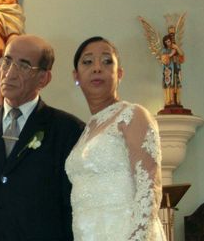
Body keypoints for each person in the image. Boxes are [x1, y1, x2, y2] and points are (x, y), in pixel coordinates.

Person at [0, 34, 85, 241]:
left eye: (23, 65)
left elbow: (70, 208)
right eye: (7, 61)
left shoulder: (68, 130)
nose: (9, 73)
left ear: (43, 78)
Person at [66, 36, 166, 241]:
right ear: (76, 76)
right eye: (87, 62)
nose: (97, 68)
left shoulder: (133, 116)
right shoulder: (85, 133)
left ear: (119, 73)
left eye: (107, 61)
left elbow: (149, 188)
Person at [161, 34, 184, 106]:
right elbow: (164, 60)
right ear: (165, 43)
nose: (169, 43)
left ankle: (177, 101)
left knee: (177, 84)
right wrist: (171, 54)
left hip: (176, 68)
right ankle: (169, 101)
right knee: (169, 84)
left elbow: (182, 55)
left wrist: (177, 48)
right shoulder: (164, 50)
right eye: (167, 42)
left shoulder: (175, 48)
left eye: (169, 41)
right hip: (169, 70)